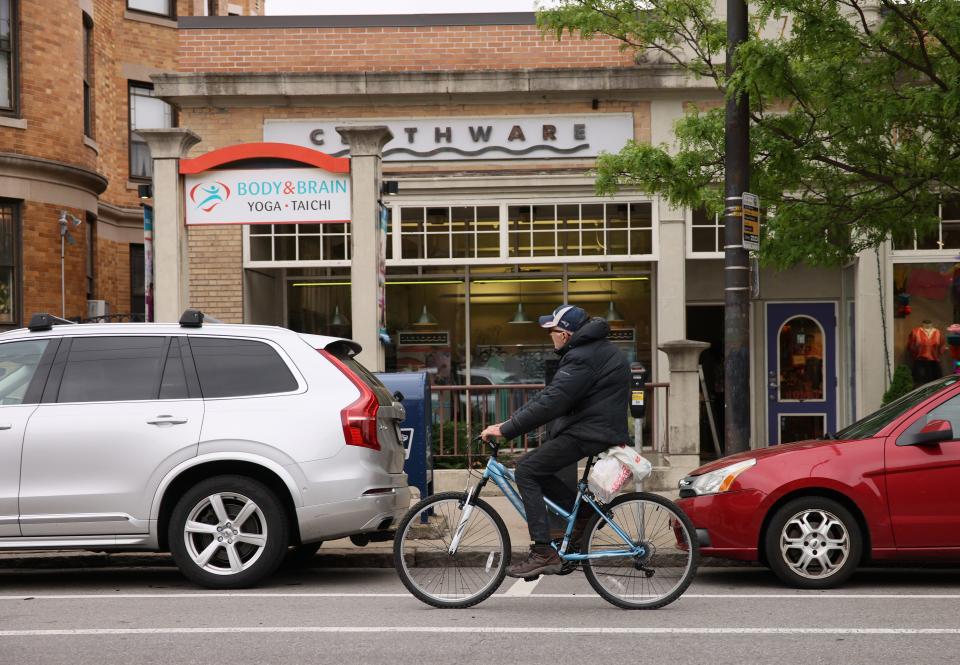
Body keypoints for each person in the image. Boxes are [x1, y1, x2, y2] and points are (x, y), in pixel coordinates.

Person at [480, 304, 631, 578]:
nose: (550, 335)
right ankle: (585, 514)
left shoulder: (582, 357)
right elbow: (549, 396)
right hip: (593, 428)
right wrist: (508, 423)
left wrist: (507, 430)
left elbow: (553, 402)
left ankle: (543, 552)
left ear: (565, 334)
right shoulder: (588, 351)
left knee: (527, 471)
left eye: (552, 331)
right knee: (530, 466)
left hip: (590, 432)